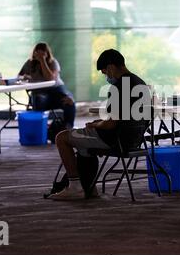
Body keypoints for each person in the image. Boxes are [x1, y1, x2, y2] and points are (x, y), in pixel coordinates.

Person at [50, 49, 150, 200]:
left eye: (104, 72)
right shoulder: (141, 84)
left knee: (61, 137)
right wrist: (100, 124)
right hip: (134, 140)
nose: (106, 76)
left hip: (115, 139)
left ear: (110, 67)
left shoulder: (119, 87)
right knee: (83, 143)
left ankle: (75, 187)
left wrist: (97, 125)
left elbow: (110, 124)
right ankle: (88, 187)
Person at [18, 42, 76, 128]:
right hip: (39, 92)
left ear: (47, 53)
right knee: (38, 99)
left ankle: (68, 127)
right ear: (34, 53)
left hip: (56, 90)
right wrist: (26, 78)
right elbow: (19, 76)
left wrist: (42, 61)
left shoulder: (53, 62)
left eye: (43, 52)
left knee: (69, 101)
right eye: (38, 52)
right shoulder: (30, 63)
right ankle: (41, 129)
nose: (40, 54)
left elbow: (50, 78)